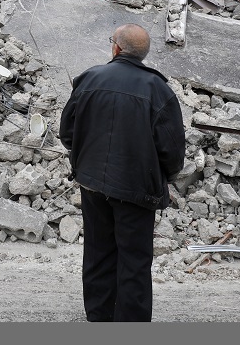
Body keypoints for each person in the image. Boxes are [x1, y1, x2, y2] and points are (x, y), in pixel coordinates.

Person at [59, 24, 186, 322]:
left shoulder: (89, 79)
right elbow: (172, 149)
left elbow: (68, 133)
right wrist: (165, 177)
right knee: (134, 259)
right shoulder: (158, 90)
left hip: (91, 183)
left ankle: (99, 315)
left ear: (115, 48)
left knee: (98, 250)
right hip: (136, 189)